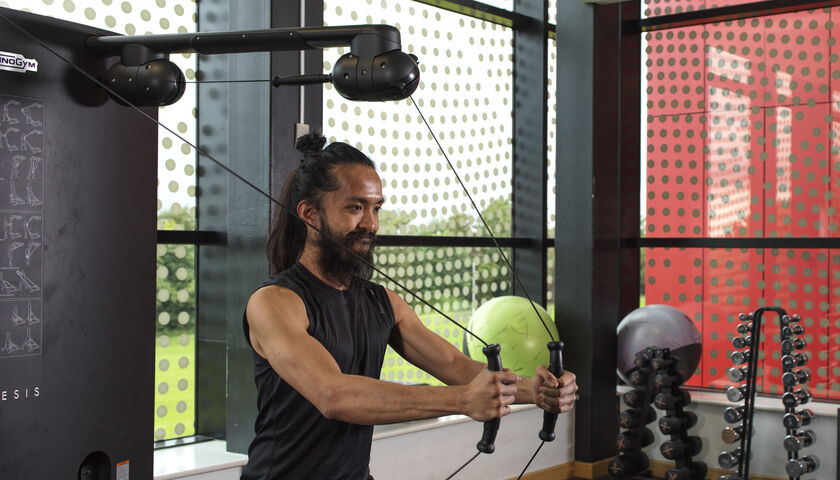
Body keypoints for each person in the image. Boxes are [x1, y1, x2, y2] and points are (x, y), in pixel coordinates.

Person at [241, 133, 578, 480]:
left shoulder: (383, 302)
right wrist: (462, 400)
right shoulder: (274, 302)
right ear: (310, 214)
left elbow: (454, 364)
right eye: (355, 207)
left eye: (376, 208)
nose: (371, 224)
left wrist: (536, 391)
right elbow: (334, 394)